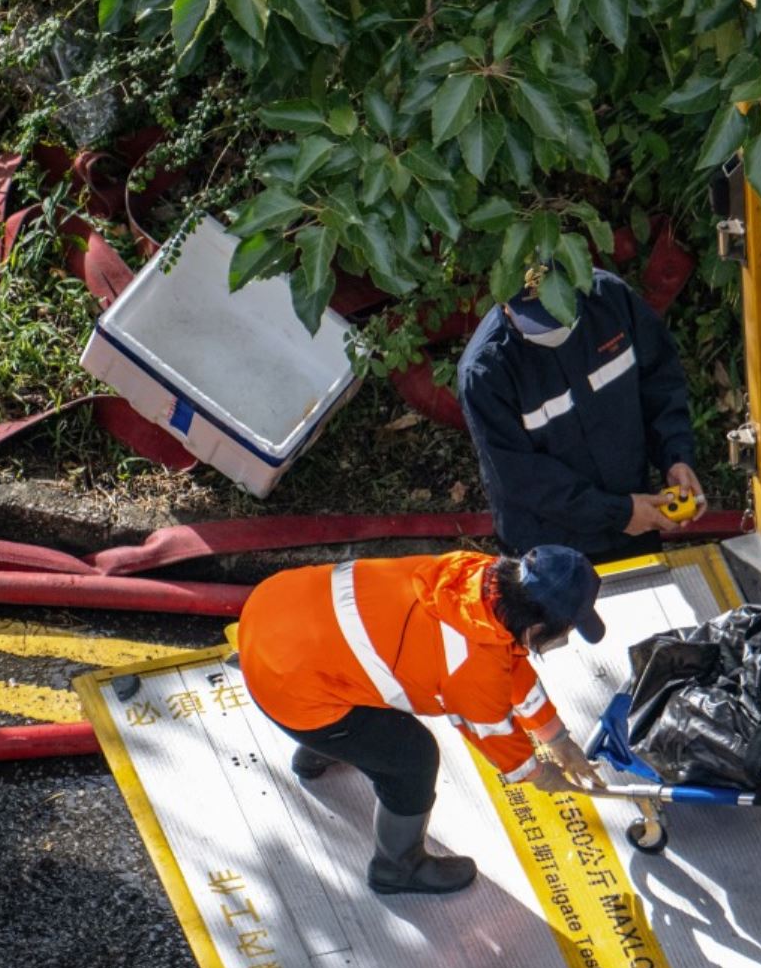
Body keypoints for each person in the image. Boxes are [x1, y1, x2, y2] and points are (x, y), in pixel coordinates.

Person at [237, 545, 606, 896]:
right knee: (413, 757)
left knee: (366, 675)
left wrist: (556, 738)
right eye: (569, 628)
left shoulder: (480, 577)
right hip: (287, 687)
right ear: (538, 628)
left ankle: (321, 751)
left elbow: (509, 662)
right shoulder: (471, 667)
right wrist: (539, 775)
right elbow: (491, 731)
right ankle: (398, 867)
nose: (569, 637)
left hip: (273, 613)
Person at [458, 266, 708, 561]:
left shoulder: (612, 299)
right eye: (539, 322)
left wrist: (675, 456)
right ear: (504, 305)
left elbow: (659, 380)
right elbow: (522, 478)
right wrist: (618, 514)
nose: (554, 331)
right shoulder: (485, 374)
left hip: (634, 522)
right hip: (552, 550)